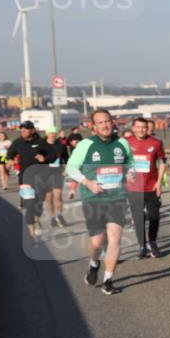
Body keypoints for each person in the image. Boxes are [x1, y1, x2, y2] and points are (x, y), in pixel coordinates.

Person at [66, 109, 135, 295]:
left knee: (115, 238)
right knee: (97, 242)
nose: (105, 125)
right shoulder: (86, 144)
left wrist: (130, 172)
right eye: (101, 122)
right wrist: (87, 182)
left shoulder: (122, 143)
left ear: (113, 123)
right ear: (93, 126)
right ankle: (93, 263)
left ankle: (108, 280)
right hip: (93, 198)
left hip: (117, 197)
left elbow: (130, 163)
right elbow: (71, 168)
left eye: (108, 121)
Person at [125, 116, 167, 258]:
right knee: (138, 218)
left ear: (147, 128)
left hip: (151, 186)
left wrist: (159, 182)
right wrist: (125, 174)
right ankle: (142, 246)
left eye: (144, 127)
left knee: (154, 216)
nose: (141, 129)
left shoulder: (156, 142)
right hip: (133, 187)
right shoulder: (126, 142)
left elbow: (162, 162)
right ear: (133, 128)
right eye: (138, 127)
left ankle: (153, 242)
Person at [7, 121, 56, 241]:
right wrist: (10, 160)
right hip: (25, 178)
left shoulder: (40, 142)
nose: (23, 131)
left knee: (38, 204)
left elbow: (53, 155)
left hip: (41, 177)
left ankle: (37, 218)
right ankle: (31, 233)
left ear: (32, 130)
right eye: (21, 129)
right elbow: (10, 153)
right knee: (29, 205)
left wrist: (44, 158)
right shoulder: (18, 142)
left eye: (26, 129)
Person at [43, 126, 69, 227]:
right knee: (49, 198)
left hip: (58, 173)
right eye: (50, 133)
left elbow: (67, 159)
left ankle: (60, 216)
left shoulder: (61, 146)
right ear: (47, 134)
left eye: (54, 133)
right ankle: (52, 217)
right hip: (45, 174)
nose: (52, 135)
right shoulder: (42, 146)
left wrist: (67, 169)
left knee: (58, 196)